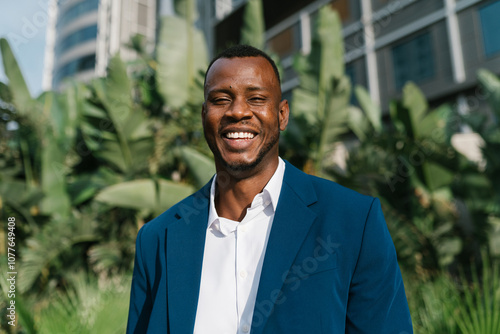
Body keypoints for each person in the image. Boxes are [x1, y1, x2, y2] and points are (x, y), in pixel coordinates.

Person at [126, 45, 413, 334]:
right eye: (221, 99)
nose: (238, 111)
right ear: (204, 116)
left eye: (256, 98)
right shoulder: (157, 240)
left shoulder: (353, 221)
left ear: (282, 115)